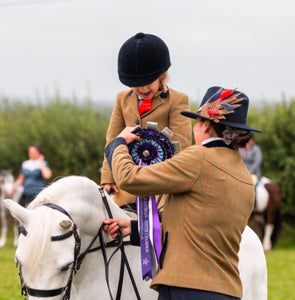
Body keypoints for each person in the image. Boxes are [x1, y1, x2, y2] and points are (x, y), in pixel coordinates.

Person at [103, 86, 260, 300]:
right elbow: (199, 226)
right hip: (227, 291)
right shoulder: (243, 177)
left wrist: (117, 144)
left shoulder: (200, 158)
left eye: (197, 122)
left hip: (184, 289)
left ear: (205, 125)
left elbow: (131, 179)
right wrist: (136, 228)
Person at [100, 32, 192, 208]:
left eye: (148, 81)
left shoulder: (178, 100)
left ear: (161, 76)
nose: (142, 88)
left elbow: (181, 146)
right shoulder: (122, 98)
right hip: (125, 184)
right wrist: (108, 177)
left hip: (161, 187)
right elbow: (112, 140)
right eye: (135, 84)